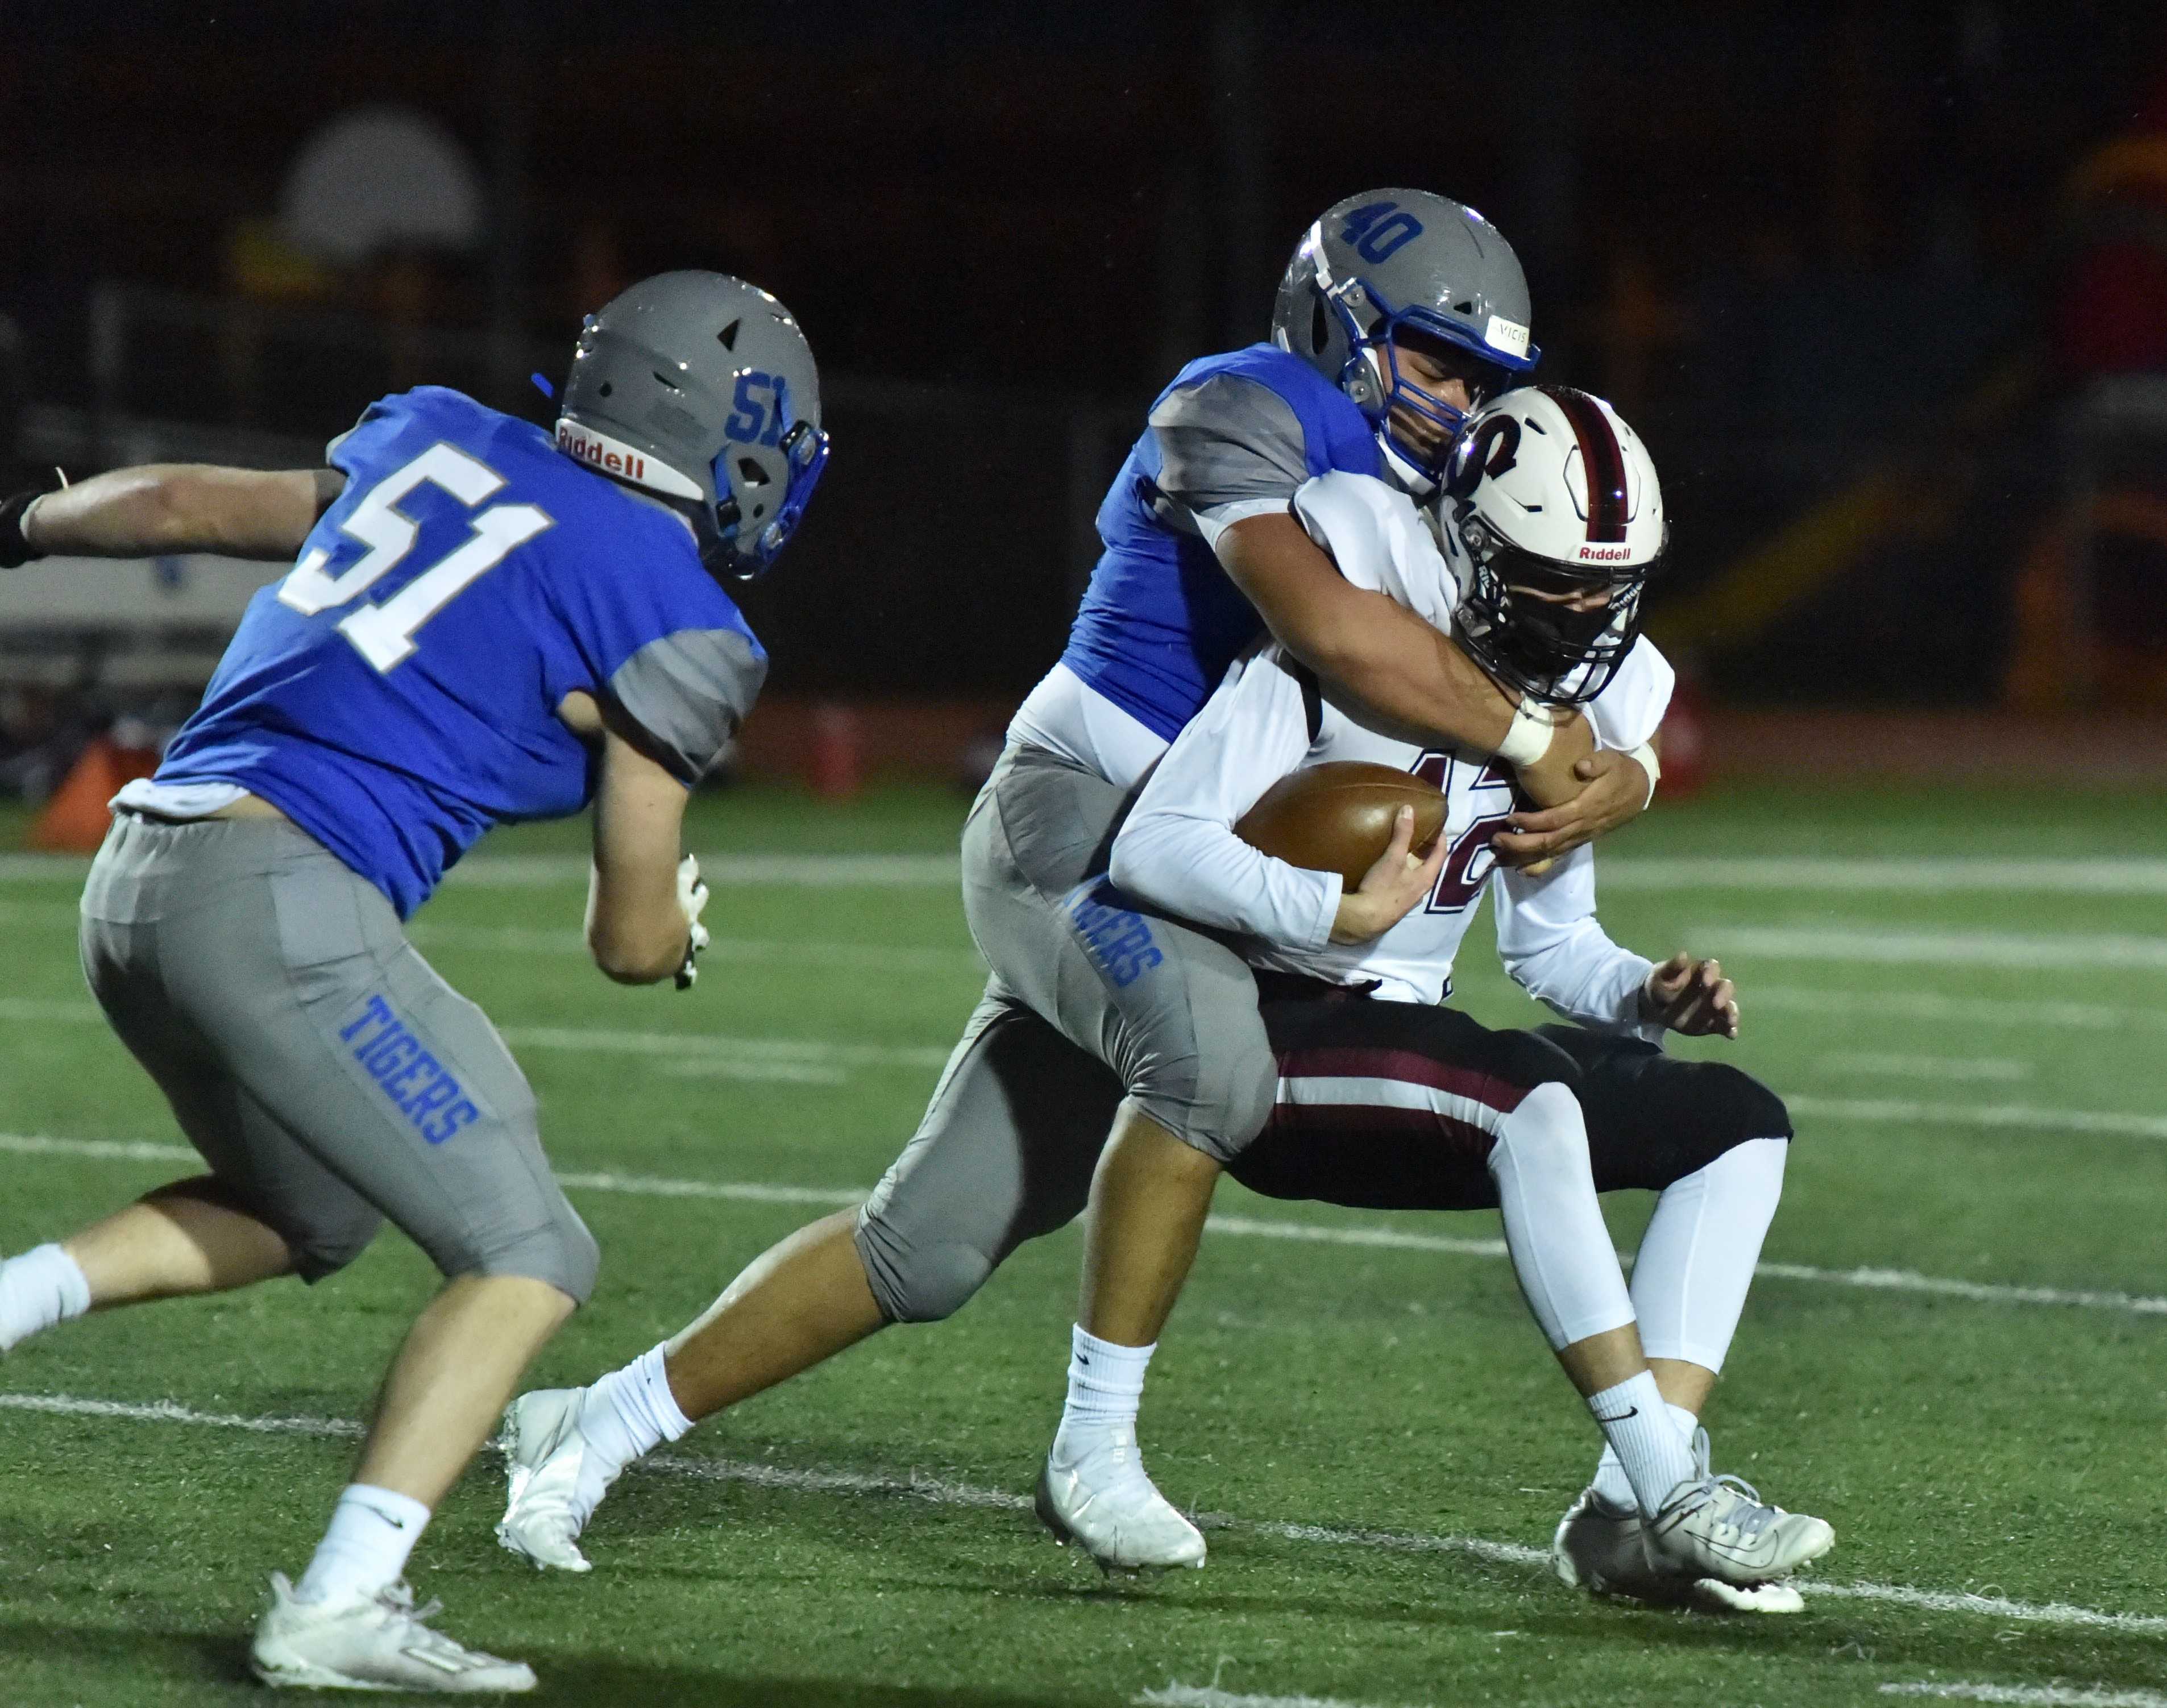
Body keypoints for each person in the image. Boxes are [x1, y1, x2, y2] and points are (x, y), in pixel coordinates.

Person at [495, 192, 1666, 1577]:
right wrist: (1548, 748)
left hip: (1200, 860)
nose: (1460, 399)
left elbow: (1547, 636)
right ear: (1341, 324)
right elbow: (1343, 636)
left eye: (1484, 377)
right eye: (1436, 359)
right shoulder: (1243, 404)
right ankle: (1091, 1449)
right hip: (1088, 821)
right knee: (1210, 1074)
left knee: (921, 1249)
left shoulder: (1425, 485)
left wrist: (1626, 772)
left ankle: (593, 1424)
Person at [0, 271, 827, 1692]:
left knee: (304, 1212)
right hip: (277, 901)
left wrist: (16, 524)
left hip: (141, 874)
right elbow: (628, 943)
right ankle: (340, 1602)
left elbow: (176, 508)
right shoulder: (678, 616)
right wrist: (674, 926)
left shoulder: (435, 432)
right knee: (532, 1253)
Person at [1091, 388, 1832, 1601]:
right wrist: (1325, 911)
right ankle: (1675, 1484)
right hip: (1268, 1033)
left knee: (1738, 1123)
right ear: (1475, 552)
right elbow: (1153, 848)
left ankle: (1618, 1523)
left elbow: (1552, 951)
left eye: (1610, 584)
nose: (1589, 612)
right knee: (1528, 1089)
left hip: (1414, 1047)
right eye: (1556, 582)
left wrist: (1645, 992)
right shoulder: (1337, 653)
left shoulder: (1594, 703)